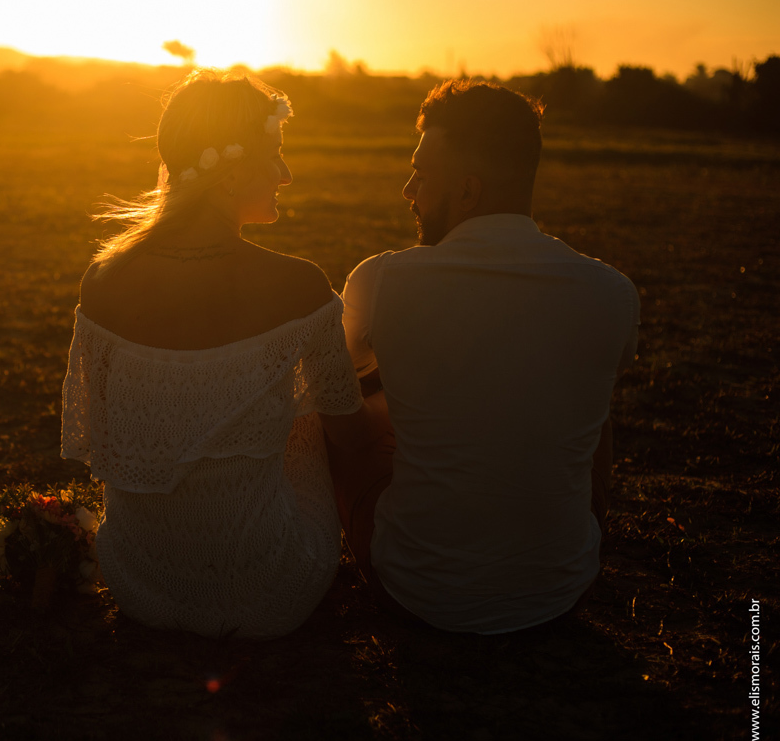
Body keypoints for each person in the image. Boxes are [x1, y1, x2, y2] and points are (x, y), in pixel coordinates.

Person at [60, 70, 379, 638]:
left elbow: (108, 435)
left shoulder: (103, 279)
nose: (286, 174)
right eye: (275, 154)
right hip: (270, 588)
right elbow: (351, 438)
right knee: (310, 414)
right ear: (230, 172)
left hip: (137, 581)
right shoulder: (299, 287)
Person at [330, 80, 640, 634]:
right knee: (588, 395)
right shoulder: (612, 292)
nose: (408, 189)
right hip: (563, 589)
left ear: (468, 192)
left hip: (417, 590)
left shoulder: (382, 281)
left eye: (421, 174)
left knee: (331, 407)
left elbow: (344, 392)